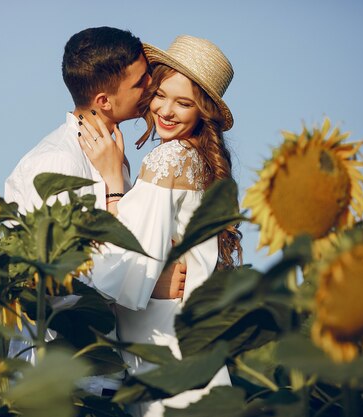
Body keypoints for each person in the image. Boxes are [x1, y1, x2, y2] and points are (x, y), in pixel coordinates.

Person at [4, 27, 187, 397]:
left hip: (99, 375)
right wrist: (152, 282)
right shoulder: (56, 162)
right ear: (104, 100)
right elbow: (62, 283)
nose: (151, 87)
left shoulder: (110, 155)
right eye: (140, 83)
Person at [79, 35, 243, 415]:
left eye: (184, 103)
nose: (166, 111)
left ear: (204, 111)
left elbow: (124, 257)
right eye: (160, 95)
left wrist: (114, 186)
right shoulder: (199, 158)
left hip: (164, 346)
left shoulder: (168, 157)